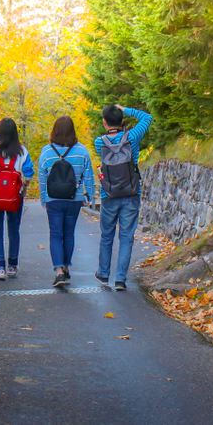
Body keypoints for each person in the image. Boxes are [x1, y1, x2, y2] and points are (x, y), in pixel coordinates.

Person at [94, 104, 152, 291]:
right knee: (126, 237)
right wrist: (125, 109)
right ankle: (120, 279)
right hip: (131, 193)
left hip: (109, 194)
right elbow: (146, 118)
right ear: (122, 122)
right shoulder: (132, 138)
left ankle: (103, 274)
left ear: (104, 122)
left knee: (107, 235)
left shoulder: (99, 142)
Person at [38, 116, 95, 287]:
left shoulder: (47, 152)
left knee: (55, 234)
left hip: (53, 199)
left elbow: (42, 177)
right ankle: (66, 266)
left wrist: (43, 198)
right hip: (74, 199)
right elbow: (89, 175)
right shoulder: (82, 151)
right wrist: (88, 195)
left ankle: (59, 272)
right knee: (69, 234)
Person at [0, 118, 34, 280]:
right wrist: (24, 184)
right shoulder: (22, 151)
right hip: (14, 196)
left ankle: (0, 269)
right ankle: (12, 265)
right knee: (13, 230)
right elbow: (29, 172)